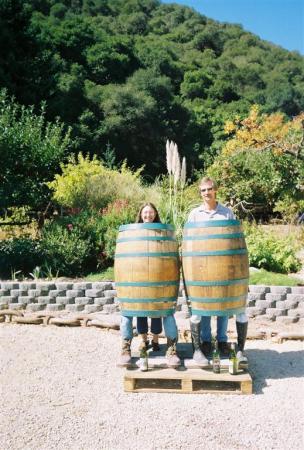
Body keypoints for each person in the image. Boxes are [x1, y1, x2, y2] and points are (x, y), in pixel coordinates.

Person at [187, 177, 248, 365]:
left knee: (224, 304)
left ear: (216, 190)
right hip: (201, 266)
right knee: (204, 304)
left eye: (210, 189)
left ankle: (222, 340)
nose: (207, 193)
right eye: (203, 190)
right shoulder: (194, 214)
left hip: (223, 265)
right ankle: (205, 341)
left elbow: (232, 239)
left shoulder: (226, 213)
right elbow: (189, 242)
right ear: (200, 193)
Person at [118, 202, 181, 368]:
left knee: (166, 312)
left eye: (151, 212)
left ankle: (171, 348)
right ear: (141, 214)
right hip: (134, 282)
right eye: (145, 213)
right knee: (128, 313)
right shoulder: (132, 232)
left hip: (160, 279)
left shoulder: (161, 231)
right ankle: (125, 349)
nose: (148, 215)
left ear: (155, 214)